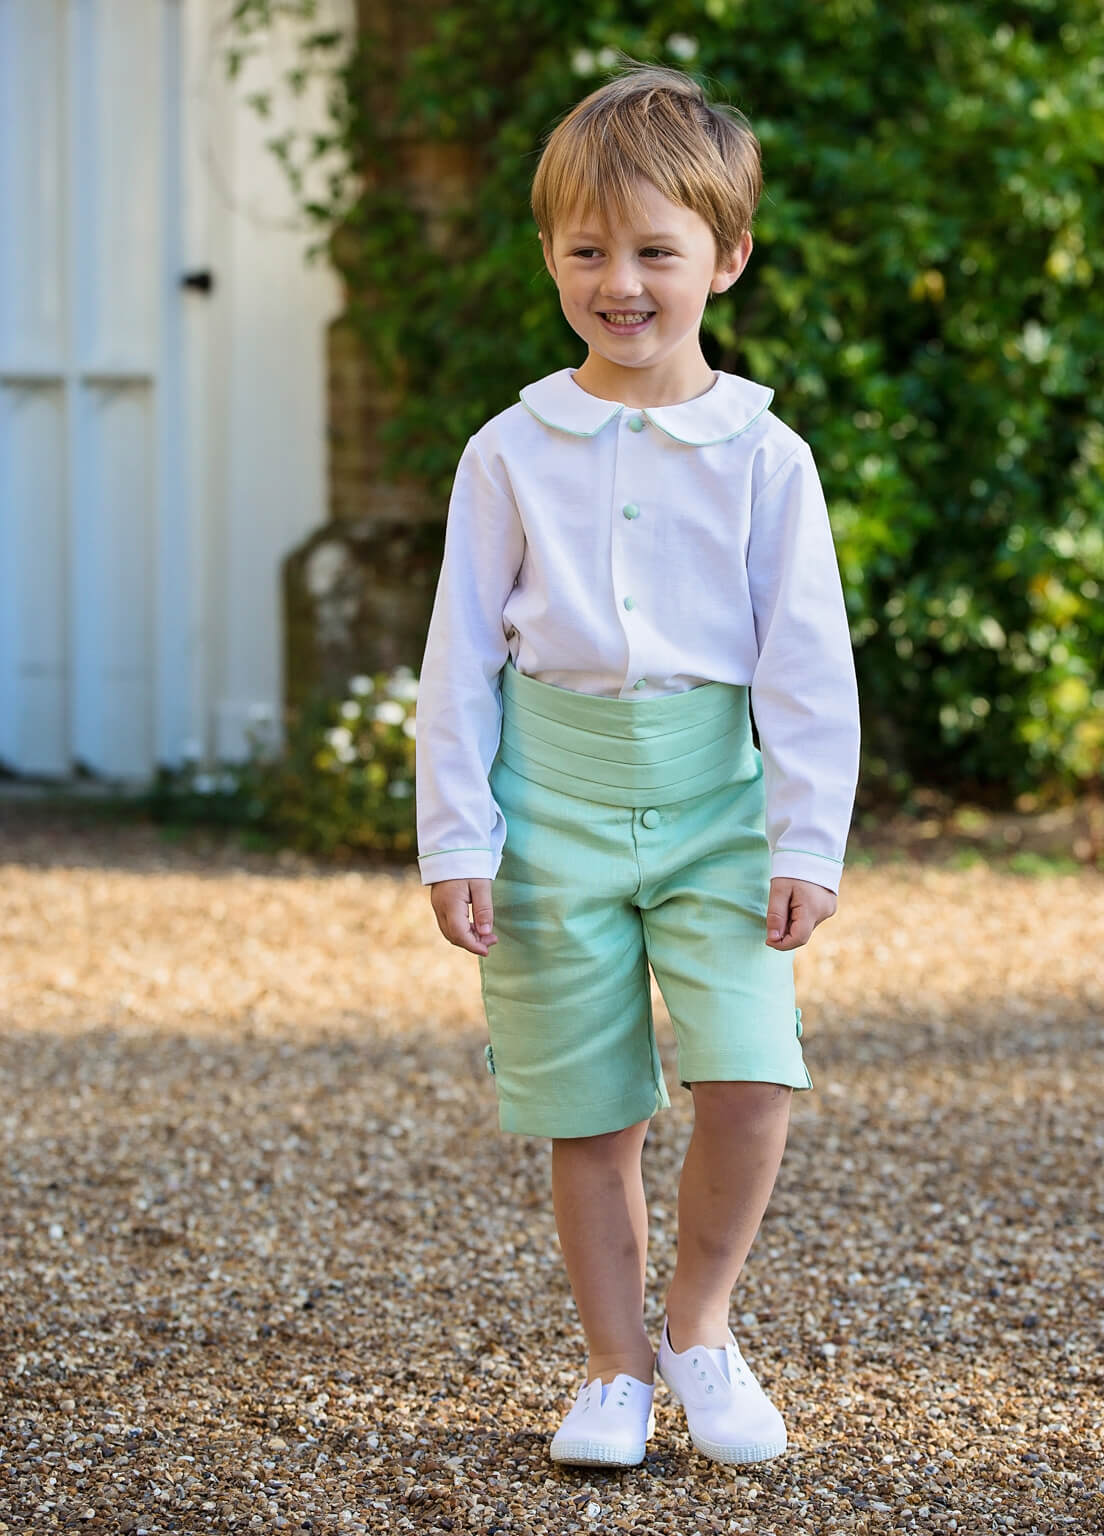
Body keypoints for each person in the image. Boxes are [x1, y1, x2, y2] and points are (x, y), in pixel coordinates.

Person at [414, 61, 860, 1468]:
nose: (622, 282)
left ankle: (702, 1331)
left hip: (717, 804)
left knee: (750, 1070)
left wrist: (805, 839)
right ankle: (613, 1369)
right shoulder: (510, 451)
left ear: (724, 258)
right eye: (588, 250)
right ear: (548, 253)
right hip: (553, 806)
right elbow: (457, 661)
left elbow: (805, 662)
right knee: (589, 1095)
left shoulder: (765, 456)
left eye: (656, 251)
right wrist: (458, 837)